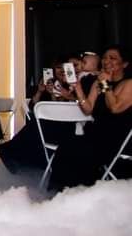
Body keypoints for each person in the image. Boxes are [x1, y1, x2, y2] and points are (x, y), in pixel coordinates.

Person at [47, 45, 132, 190]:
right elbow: (88, 109)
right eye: (104, 58)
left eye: (112, 58)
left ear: (124, 64)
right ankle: (59, 193)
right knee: (67, 146)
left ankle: (80, 192)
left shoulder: (128, 83)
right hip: (96, 133)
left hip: (116, 136)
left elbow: (115, 108)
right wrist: (78, 87)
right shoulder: (98, 81)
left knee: (81, 152)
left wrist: (105, 84)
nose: (106, 61)